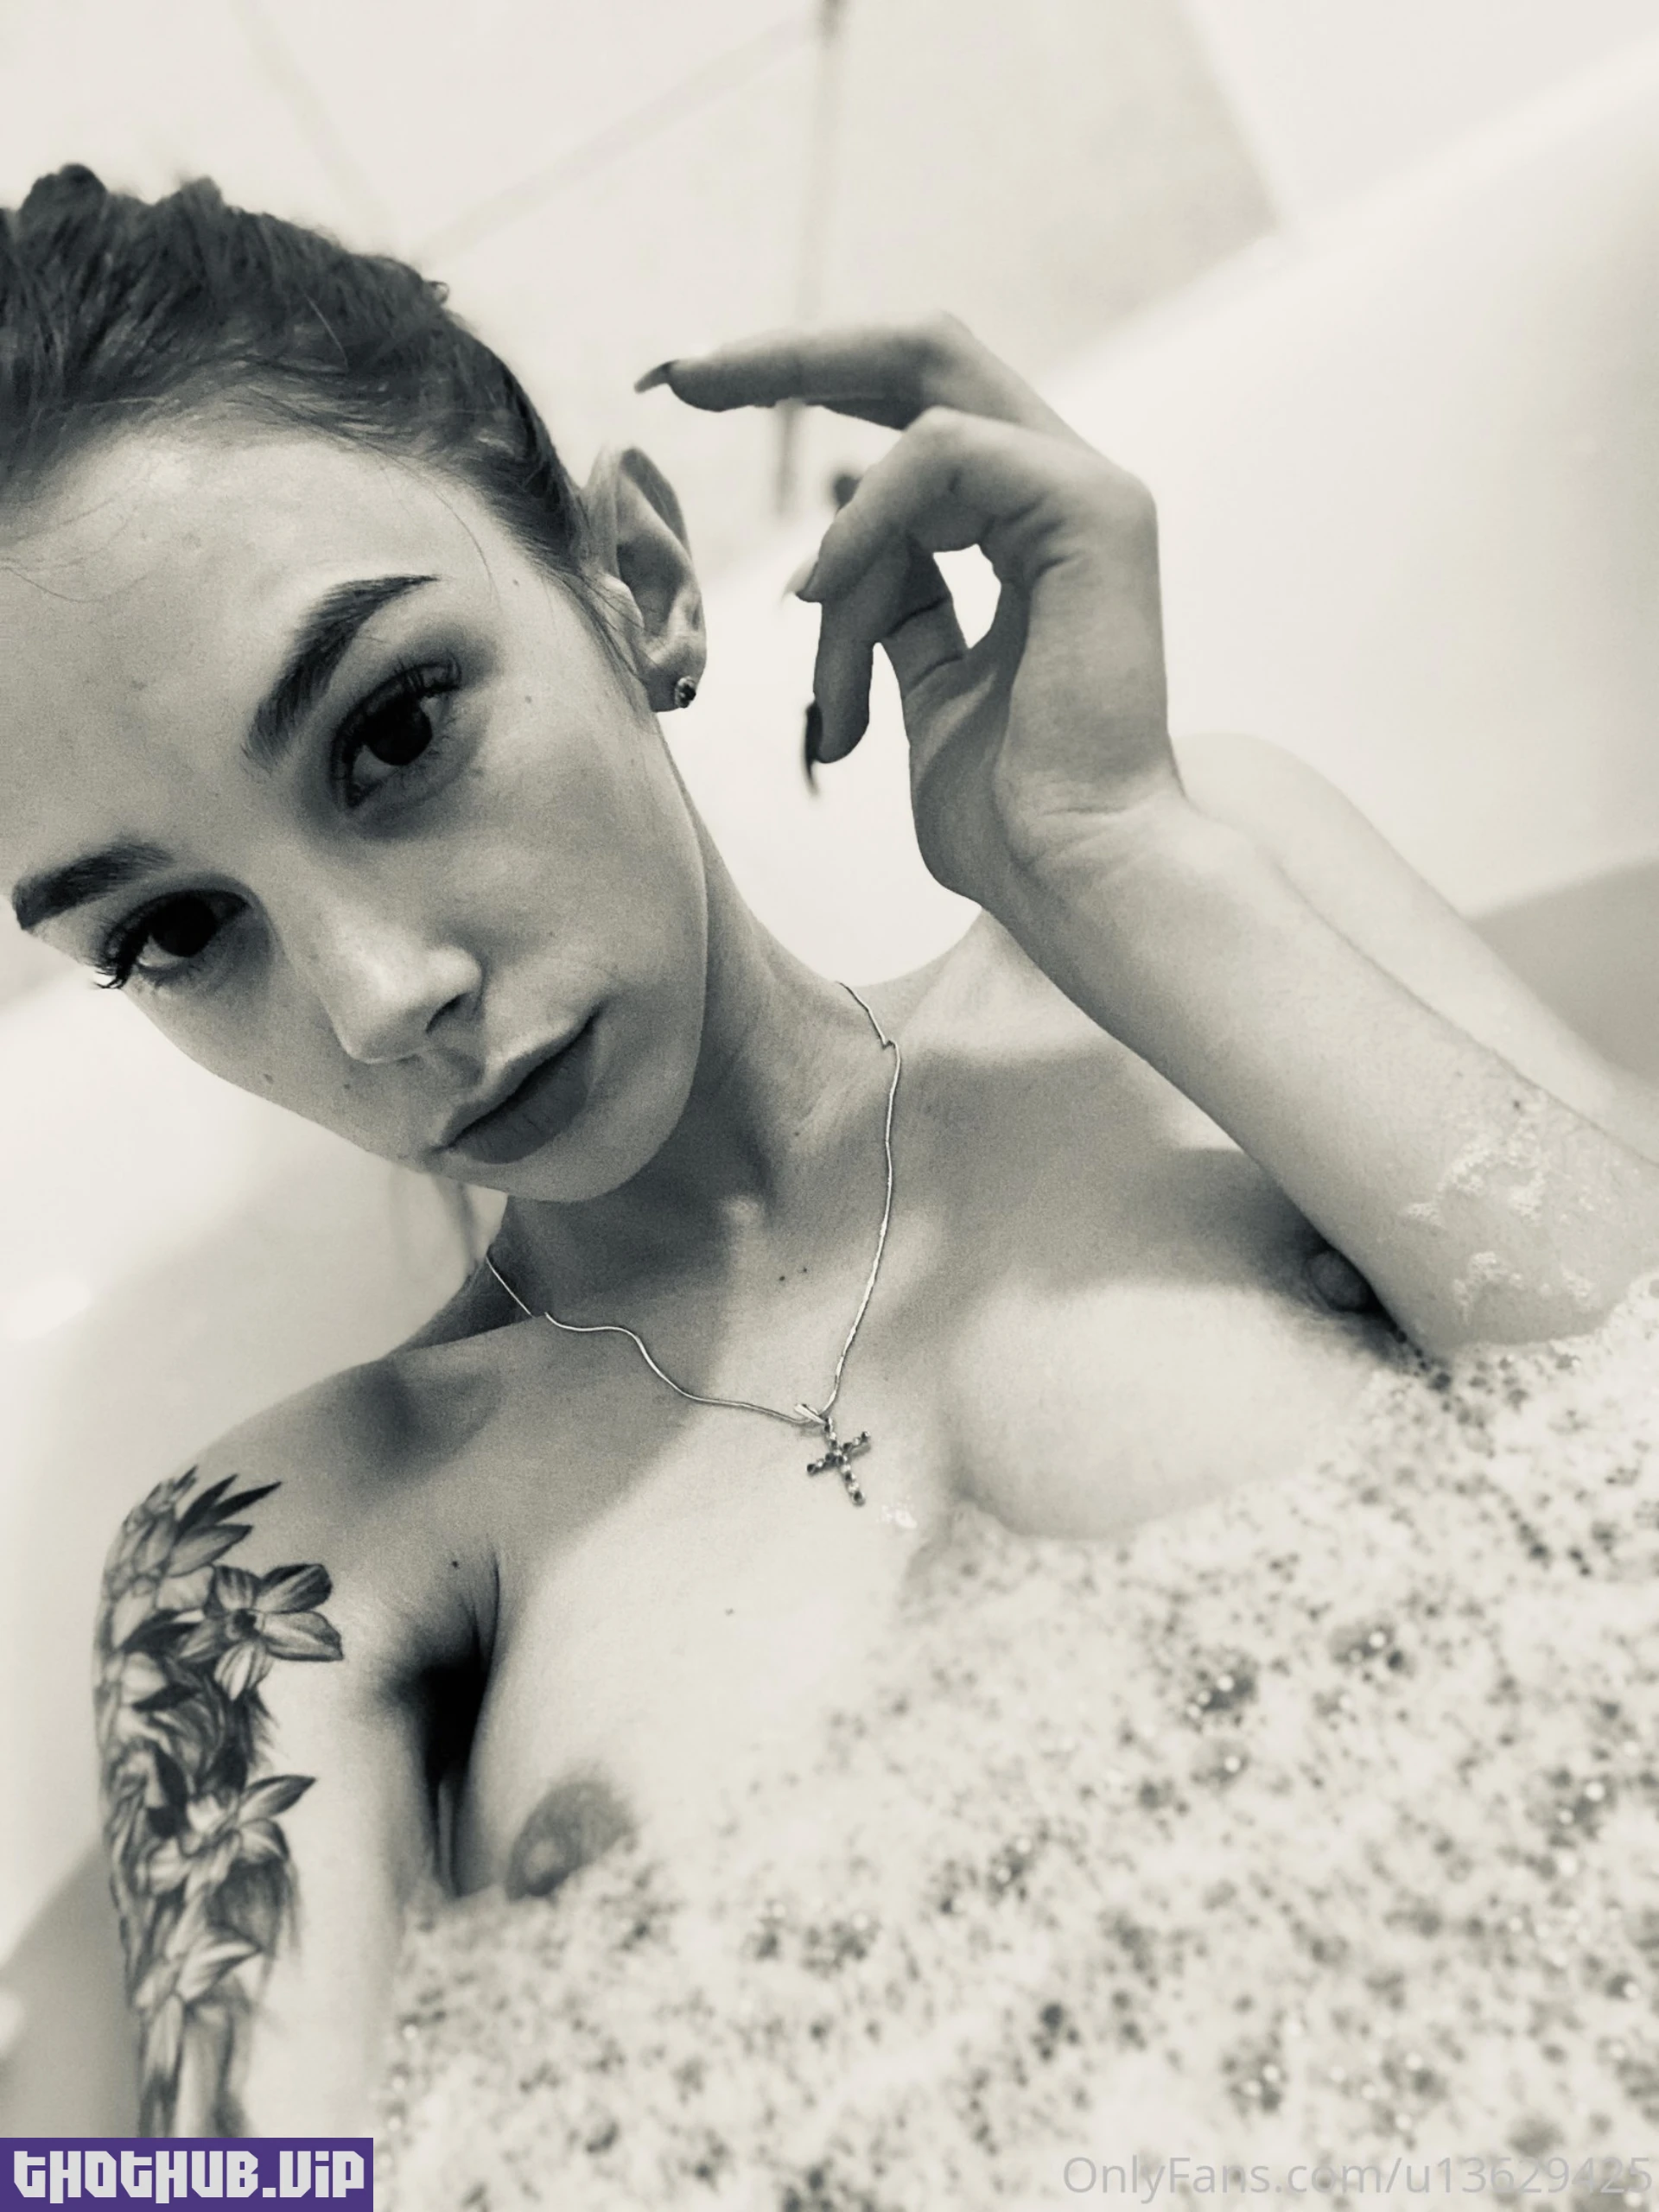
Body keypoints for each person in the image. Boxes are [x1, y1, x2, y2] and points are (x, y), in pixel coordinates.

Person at [3, 167, 1656, 2143]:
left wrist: (1110, 857)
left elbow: (1626, 1417)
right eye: (174, 931)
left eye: (395, 730)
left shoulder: (1207, 900)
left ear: (636, 582)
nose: (376, 997)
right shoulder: (278, 1553)